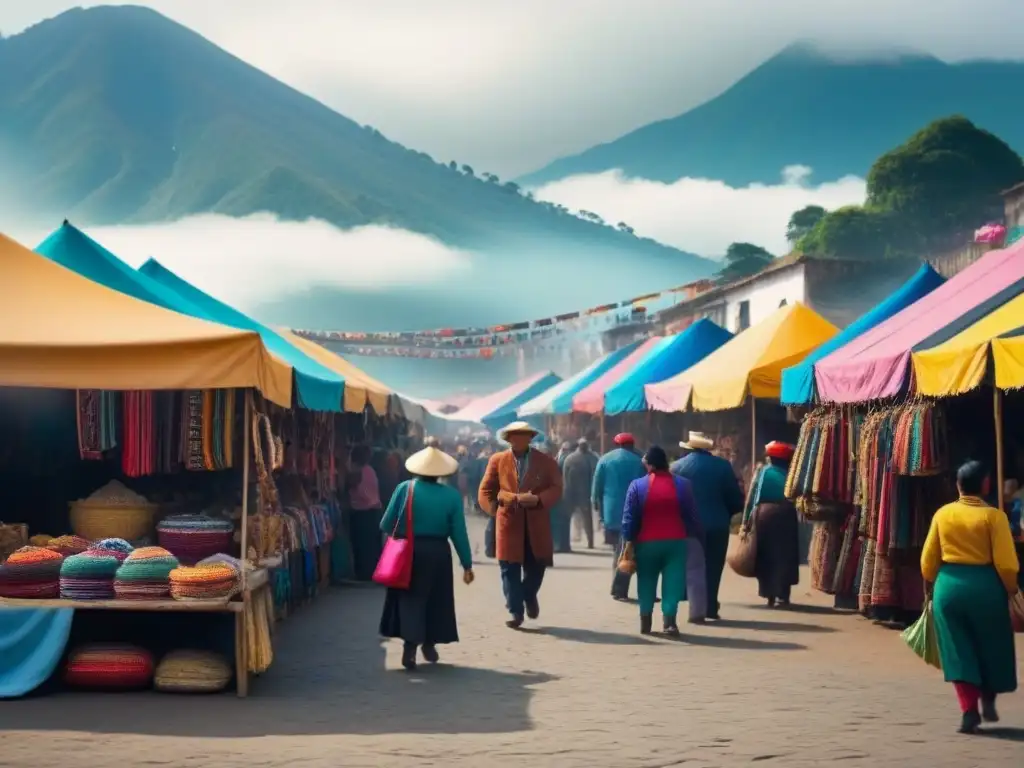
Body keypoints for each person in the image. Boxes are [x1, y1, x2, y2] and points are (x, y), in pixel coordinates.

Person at [921, 460, 1019, 734]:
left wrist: (932, 583)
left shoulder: (943, 514)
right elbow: (1007, 564)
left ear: (958, 485)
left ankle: (968, 711)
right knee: (991, 647)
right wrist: (1011, 588)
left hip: (949, 588)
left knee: (958, 650)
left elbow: (928, 561)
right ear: (986, 485)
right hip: (986, 587)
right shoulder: (994, 517)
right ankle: (988, 699)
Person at [378, 445, 475, 671]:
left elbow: (385, 523)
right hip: (439, 552)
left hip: (409, 551)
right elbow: (459, 532)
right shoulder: (451, 496)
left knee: (411, 598)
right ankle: (430, 643)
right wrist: (467, 564)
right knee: (436, 598)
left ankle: (410, 647)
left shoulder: (405, 489)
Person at [478, 421, 563, 628]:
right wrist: (495, 509)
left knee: (537, 566)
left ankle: (529, 594)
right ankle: (516, 611)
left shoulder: (546, 461)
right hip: (509, 522)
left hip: (536, 521)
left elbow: (557, 487)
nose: (519, 439)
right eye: (515, 435)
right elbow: (485, 490)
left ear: (530, 438)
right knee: (509, 568)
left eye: (524, 435)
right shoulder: (497, 461)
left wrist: (539, 499)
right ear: (508, 439)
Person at [619, 446, 703, 635]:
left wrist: (628, 540)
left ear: (649, 465)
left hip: (646, 543)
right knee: (673, 581)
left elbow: (629, 518)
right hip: (676, 542)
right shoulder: (684, 485)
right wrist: (697, 536)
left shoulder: (637, 486)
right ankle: (669, 623)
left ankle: (645, 622)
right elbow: (693, 516)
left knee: (646, 580)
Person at [671, 431, 744, 620]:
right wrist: (726, 514)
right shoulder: (723, 466)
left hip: (687, 527)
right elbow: (735, 499)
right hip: (717, 526)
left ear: (689, 447)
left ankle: (693, 603)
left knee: (691, 567)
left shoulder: (677, 467)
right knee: (713, 566)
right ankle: (710, 606)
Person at [742, 441, 800, 608]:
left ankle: (769, 594)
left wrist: (746, 522)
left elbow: (754, 498)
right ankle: (783, 594)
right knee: (785, 555)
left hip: (765, 515)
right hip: (787, 515)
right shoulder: (791, 474)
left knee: (766, 555)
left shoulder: (764, 472)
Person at [594, 432, 646, 601]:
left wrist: (596, 505)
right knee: (625, 549)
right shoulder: (639, 461)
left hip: (611, 512)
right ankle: (619, 588)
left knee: (620, 549)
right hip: (634, 511)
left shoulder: (605, 459)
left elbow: (597, 487)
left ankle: (618, 587)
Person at [346, 444, 384, 582]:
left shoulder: (358, 472)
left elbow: (354, 489)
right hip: (373, 512)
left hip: (361, 513)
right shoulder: (370, 471)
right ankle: (371, 572)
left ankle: (363, 573)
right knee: (371, 545)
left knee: (360, 544)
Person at [562, 438, 599, 550]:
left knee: (570, 517)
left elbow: (565, 477)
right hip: (583, 493)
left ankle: (569, 542)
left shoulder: (570, 458)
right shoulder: (593, 458)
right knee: (585, 518)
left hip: (576, 493)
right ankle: (589, 542)